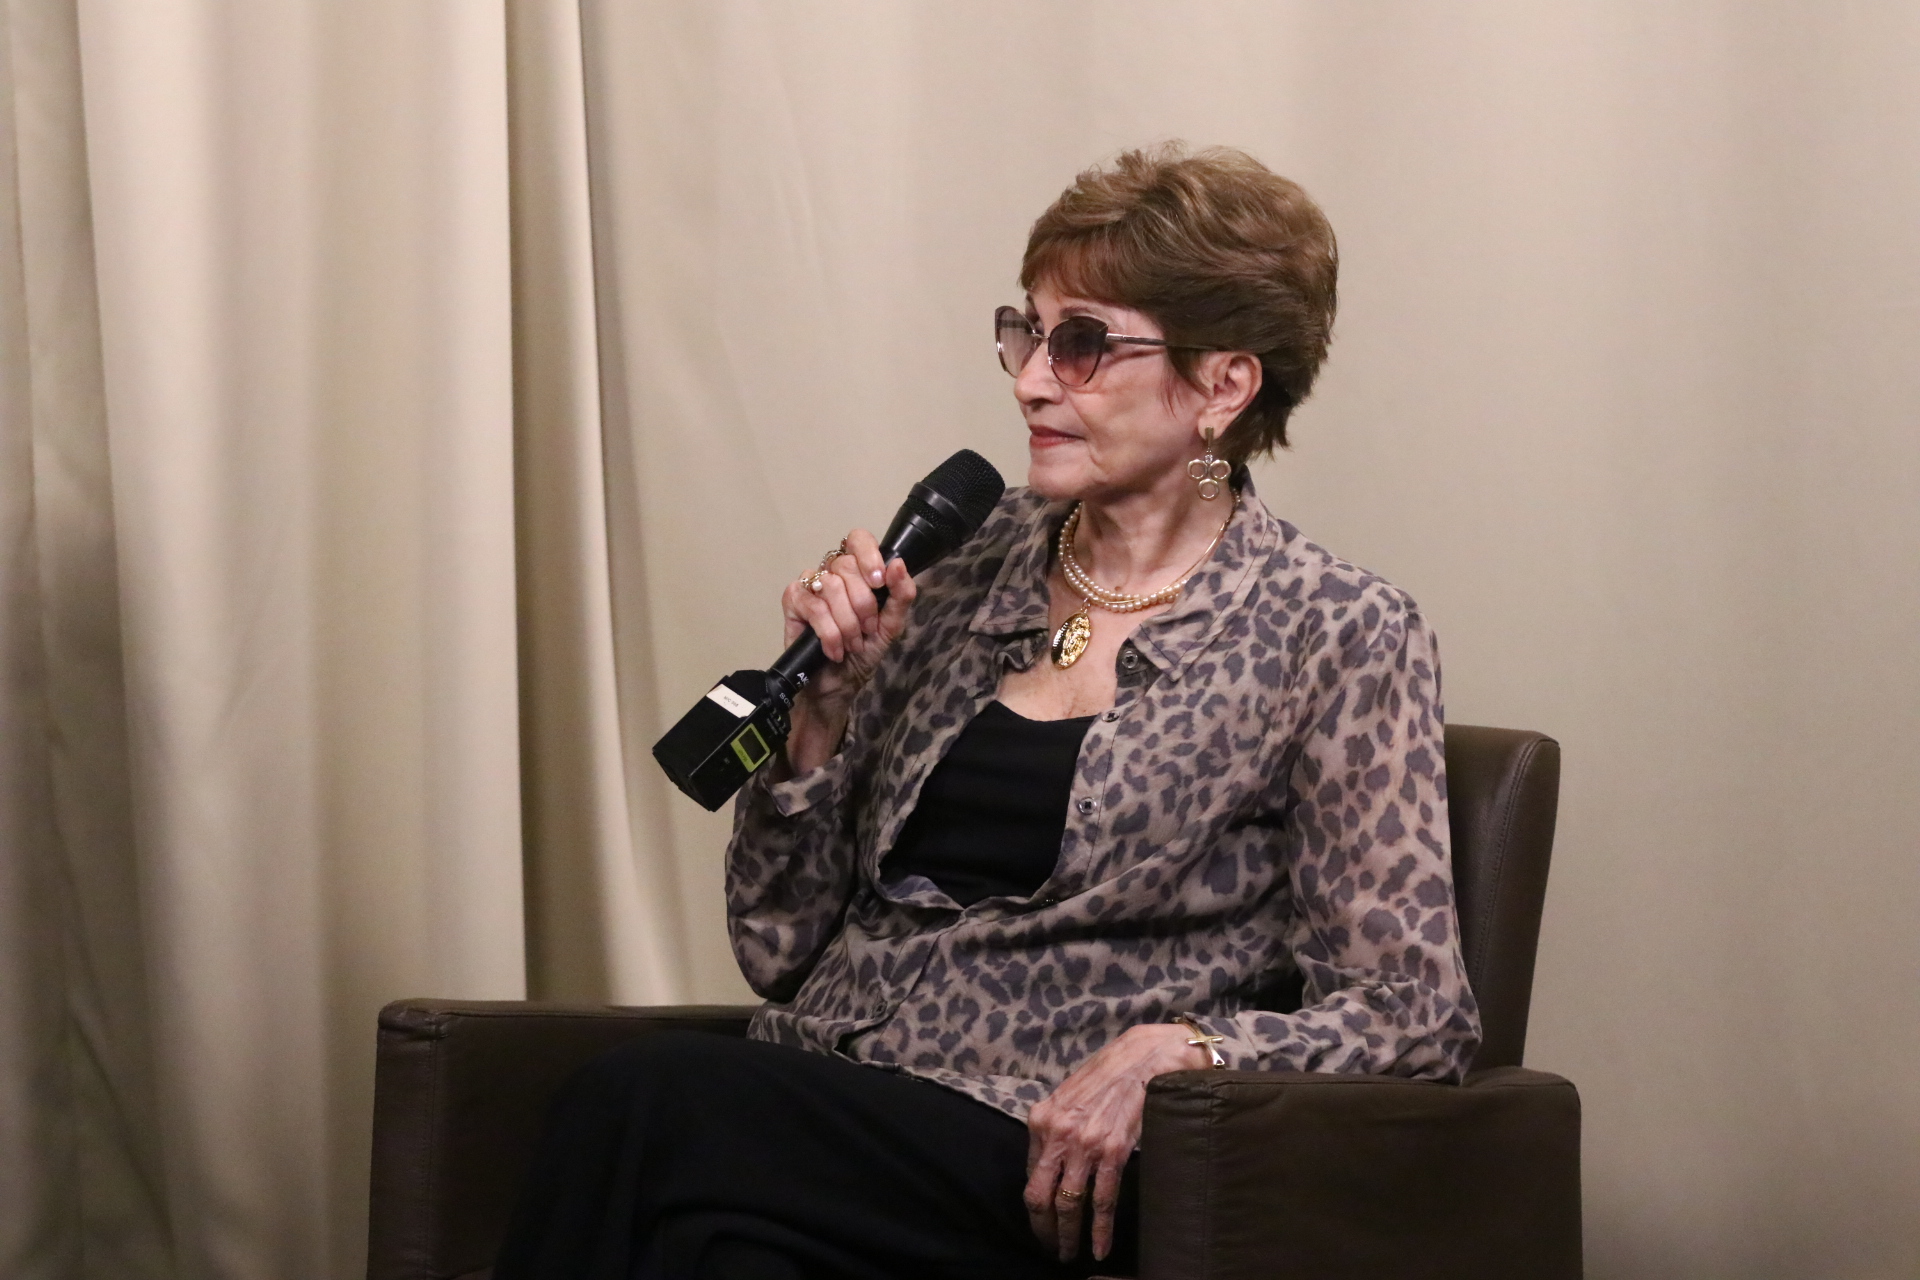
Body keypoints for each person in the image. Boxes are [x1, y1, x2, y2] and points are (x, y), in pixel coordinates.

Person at [495, 143, 1480, 1280]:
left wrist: (1184, 1050)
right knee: (714, 1256)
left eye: (1084, 343)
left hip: (1039, 1147)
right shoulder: (964, 564)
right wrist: (819, 723)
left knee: (637, 1097)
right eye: (1029, 332)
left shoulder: (1334, 631)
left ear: (1222, 386)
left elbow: (1415, 1012)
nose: (1031, 381)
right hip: (834, 1099)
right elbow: (776, 947)